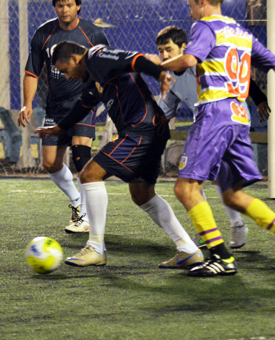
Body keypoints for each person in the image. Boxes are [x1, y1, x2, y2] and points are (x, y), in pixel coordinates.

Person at [160, 0, 275, 277]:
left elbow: (191, 59)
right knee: (232, 195)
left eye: (191, 4)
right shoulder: (241, 33)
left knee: (185, 188)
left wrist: (159, 64)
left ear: (203, 1)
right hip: (238, 115)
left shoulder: (205, 27)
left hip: (215, 112)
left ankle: (221, 257)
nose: (190, 11)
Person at [37, 41, 203, 270]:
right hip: (149, 130)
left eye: (65, 70)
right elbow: (84, 104)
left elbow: (135, 59)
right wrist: (58, 129)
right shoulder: (95, 75)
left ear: (75, 59)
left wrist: (160, 74)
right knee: (142, 194)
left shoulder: (96, 57)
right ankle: (188, 250)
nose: (66, 77)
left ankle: (95, 248)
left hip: (141, 130)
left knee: (89, 175)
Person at [156, 25, 271, 250]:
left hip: (227, 119)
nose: (164, 56)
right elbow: (162, 113)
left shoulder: (201, 63)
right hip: (208, 124)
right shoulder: (170, 78)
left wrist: (259, 99)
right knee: (211, 179)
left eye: (168, 49)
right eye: (160, 51)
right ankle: (228, 228)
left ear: (184, 48)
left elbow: (238, 75)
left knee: (192, 181)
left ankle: (213, 234)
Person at [18, 0, 109, 234]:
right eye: (60, 5)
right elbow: (31, 72)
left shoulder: (93, 34)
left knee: (81, 156)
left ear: (78, 5)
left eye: (69, 4)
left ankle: (90, 217)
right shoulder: (43, 34)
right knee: (49, 163)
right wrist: (27, 104)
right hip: (55, 107)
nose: (65, 9)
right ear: (54, 7)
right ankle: (78, 202)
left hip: (83, 103)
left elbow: (107, 68)